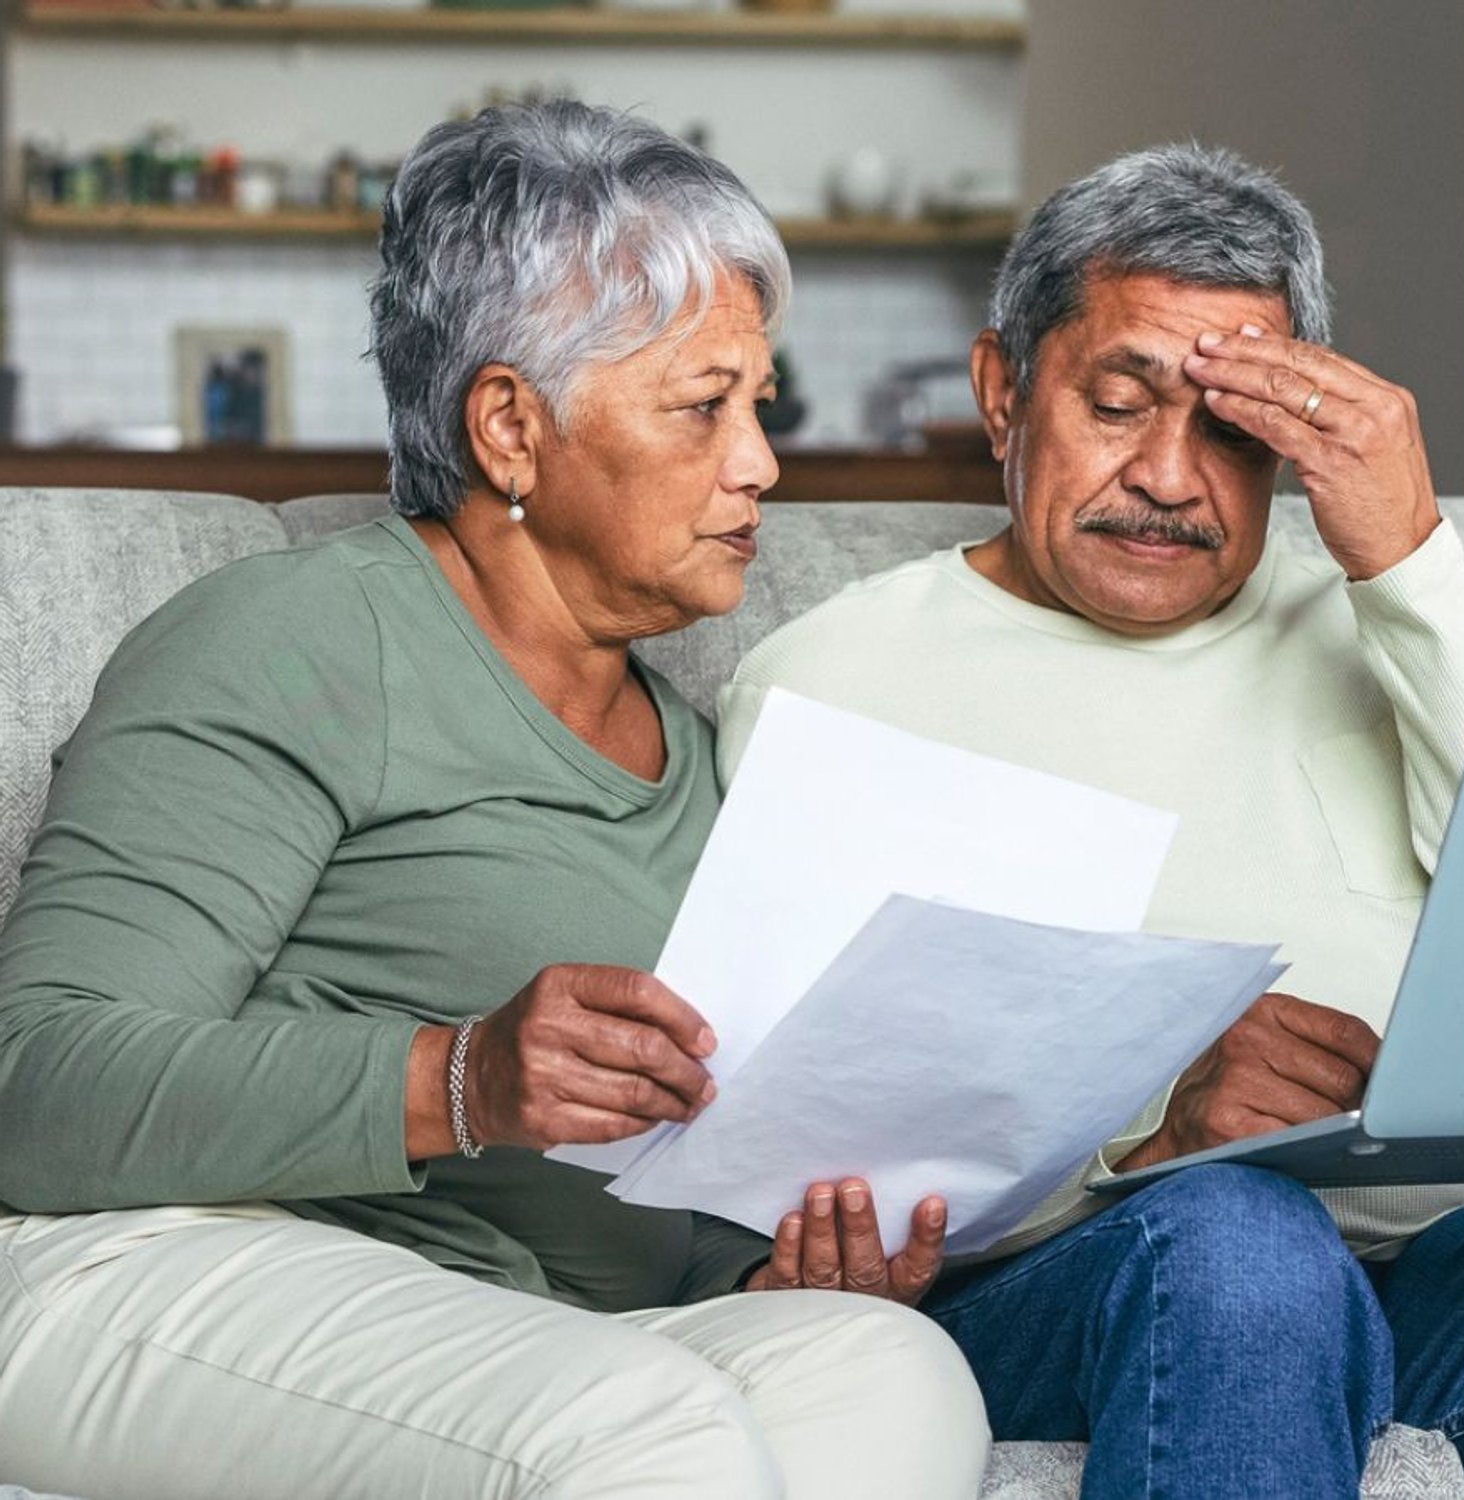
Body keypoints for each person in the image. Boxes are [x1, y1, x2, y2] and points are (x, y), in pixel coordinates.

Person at [718, 144, 1464, 1498]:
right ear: (1005, 392)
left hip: (1423, 1281)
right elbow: (799, 1157)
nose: (1172, 476)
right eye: (1118, 406)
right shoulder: (843, 681)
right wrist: (1151, 1144)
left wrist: (1409, 559)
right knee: (1240, 1237)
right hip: (1072, 1290)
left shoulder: (1386, 623)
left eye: (1233, 430)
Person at [0, 101, 988, 1500]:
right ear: (513, 427)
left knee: (888, 1375)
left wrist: (773, 1264)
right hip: (164, 1261)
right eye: (704, 405)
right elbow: (34, 1086)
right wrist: (453, 1078)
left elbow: (660, 1186)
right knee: (644, 1426)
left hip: (539, 1328)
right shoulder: (296, 642)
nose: (762, 461)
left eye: (760, 406)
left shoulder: (701, 756)